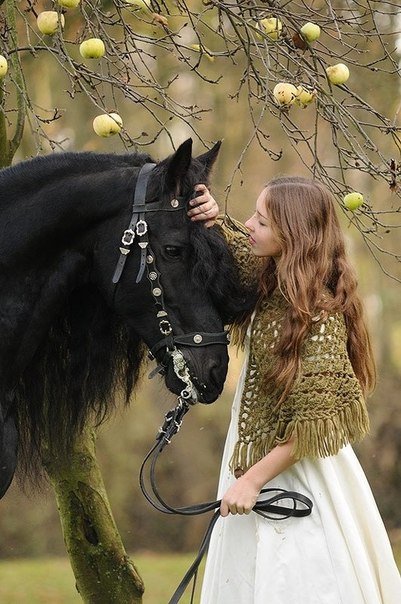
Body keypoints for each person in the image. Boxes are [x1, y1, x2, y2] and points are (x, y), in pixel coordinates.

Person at [187, 177, 401, 604]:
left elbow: (313, 426)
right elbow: (236, 252)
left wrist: (250, 482)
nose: (249, 224)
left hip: (297, 475)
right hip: (256, 462)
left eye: (261, 221)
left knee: (296, 579)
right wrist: (213, 218)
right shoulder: (271, 283)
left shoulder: (318, 314)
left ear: (292, 237)